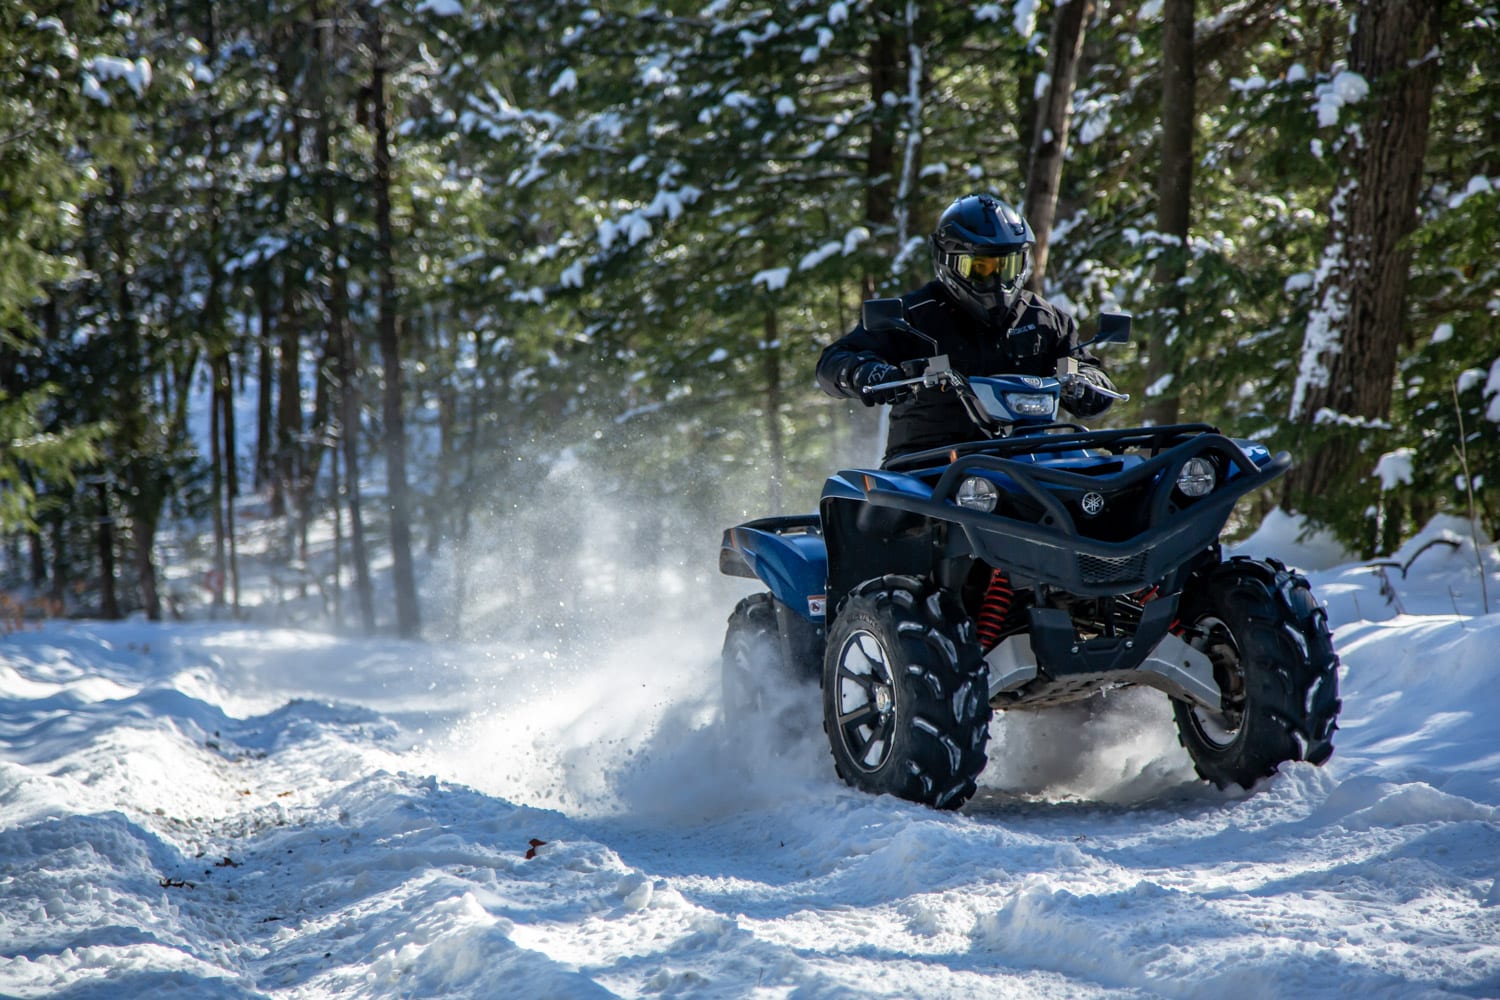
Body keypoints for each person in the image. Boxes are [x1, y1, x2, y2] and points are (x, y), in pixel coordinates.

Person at [816, 193, 1117, 463]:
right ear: (948, 261)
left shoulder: (1046, 320)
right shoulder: (914, 316)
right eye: (981, 268)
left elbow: (1097, 388)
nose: (996, 282)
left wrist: (1086, 382)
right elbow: (832, 362)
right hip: (929, 464)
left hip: (1029, 462)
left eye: (1006, 267)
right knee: (884, 508)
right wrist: (872, 374)